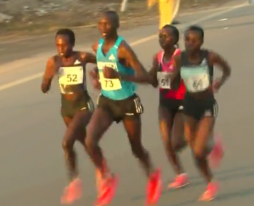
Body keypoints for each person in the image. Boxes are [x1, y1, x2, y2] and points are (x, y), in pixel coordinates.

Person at [85, 10, 162, 206]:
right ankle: (107, 176)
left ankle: (153, 176)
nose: (103, 28)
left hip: (127, 102)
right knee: (90, 141)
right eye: (100, 24)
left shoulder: (123, 50)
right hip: (107, 102)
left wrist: (119, 76)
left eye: (108, 24)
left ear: (117, 25)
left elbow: (146, 77)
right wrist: (97, 77)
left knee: (136, 148)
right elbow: (101, 67)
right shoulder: (98, 46)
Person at [171, 25, 229, 201]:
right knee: (190, 144)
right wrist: (174, 77)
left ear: (202, 42)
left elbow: (227, 69)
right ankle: (214, 144)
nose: (190, 43)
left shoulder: (210, 57)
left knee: (197, 153)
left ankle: (211, 184)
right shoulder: (180, 58)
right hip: (189, 107)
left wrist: (219, 81)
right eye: (187, 39)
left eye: (194, 40)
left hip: (207, 107)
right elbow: (174, 82)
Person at [41, 28, 97, 205]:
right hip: (67, 110)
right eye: (58, 45)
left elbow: (104, 62)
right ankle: (102, 169)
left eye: (64, 44)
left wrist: (98, 75)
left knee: (66, 142)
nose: (61, 48)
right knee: (85, 142)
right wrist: (48, 79)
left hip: (84, 106)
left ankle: (74, 182)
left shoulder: (82, 57)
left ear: (72, 44)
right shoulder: (54, 61)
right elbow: (44, 88)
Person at [148, 24, 188, 189]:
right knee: (166, 141)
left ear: (175, 40)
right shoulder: (157, 57)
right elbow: (153, 82)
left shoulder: (181, 57)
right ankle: (180, 174)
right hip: (165, 103)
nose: (162, 39)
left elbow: (175, 77)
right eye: (160, 36)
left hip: (182, 103)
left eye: (166, 36)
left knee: (177, 143)